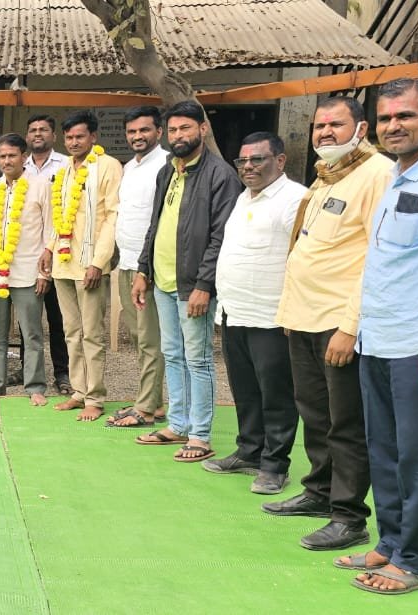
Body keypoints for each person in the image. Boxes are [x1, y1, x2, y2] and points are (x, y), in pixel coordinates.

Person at [342, 78, 418, 595]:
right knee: (384, 452)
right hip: (379, 339)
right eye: (386, 118)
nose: (394, 126)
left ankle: (417, 561)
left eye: (406, 116)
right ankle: (390, 543)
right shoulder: (394, 175)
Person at [267, 96, 391, 550]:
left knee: (345, 422)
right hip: (304, 318)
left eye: (336, 125)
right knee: (315, 415)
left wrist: (350, 326)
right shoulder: (327, 175)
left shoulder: (377, 174)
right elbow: (307, 249)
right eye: (319, 126)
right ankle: (320, 492)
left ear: (361, 128)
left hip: (338, 322)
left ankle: (349, 516)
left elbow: (378, 256)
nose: (325, 133)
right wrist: (290, 312)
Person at [132, 101, 240, 462]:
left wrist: (204, 285)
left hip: (193, 285)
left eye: (186, 128)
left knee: (199, 359)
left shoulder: (220, 175)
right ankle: (177, 424)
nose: (178, 136)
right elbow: (155, 224)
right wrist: (143, 270)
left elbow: (220, 236)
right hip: (163, 281)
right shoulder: (168, 170)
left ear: (202, 129)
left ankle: (200, 435)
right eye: (173, 130)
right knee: (173, 354)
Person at [201, 132, 305, 497]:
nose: (248, 167)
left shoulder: (295, 199)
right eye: (242, 161)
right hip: (235, 312)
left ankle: (275, 466)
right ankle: (249, 451)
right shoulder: (243, 197)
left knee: (276, 395)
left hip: (271, 317)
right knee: (245, 391)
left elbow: (301, 259)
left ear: (280, 160)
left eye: (257, 159)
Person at [38, 110, 122, 421]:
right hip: (63, 263)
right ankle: (78, 391)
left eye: (80, 136)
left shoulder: (107, 166)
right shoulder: (64, 171)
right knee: (71, 332)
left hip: (90, 265)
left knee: (92, 334)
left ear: (93, 137)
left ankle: (95, 398)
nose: (74, 142)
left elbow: (113, 216)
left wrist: (99, 262)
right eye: (70, 137)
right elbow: (60, 216)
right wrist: (49, 248)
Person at [0, 133, 52, 404]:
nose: (6, 161)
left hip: (28, 272)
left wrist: (44, 273)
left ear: (24, 157)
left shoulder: (40, 186)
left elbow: (49, 231)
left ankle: (35, 387)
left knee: (31, 333)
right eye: (2, 156)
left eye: (12, 155)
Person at [107, 106, 168, 428]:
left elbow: (161, 220)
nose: (137, 136)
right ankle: (153, 402)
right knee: (136, 335)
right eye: (132, 131)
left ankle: (144, 408)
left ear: (159, 131)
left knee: (149, 338)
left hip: (149, 267)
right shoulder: (129, 167)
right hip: (127, 262)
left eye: (144, 130)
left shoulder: (167, 165)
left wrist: (145, 269)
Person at [24, 114, 73, 396]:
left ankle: (63, 373)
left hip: (59, 250)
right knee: (28, 320)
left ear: (54, 136)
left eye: (43, 129)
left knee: (58, 318)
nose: (38, 134)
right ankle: (30, 371)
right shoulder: (20, 166)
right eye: (33, 130)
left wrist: (52, 248)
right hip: (27, 254)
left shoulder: (66, 164)